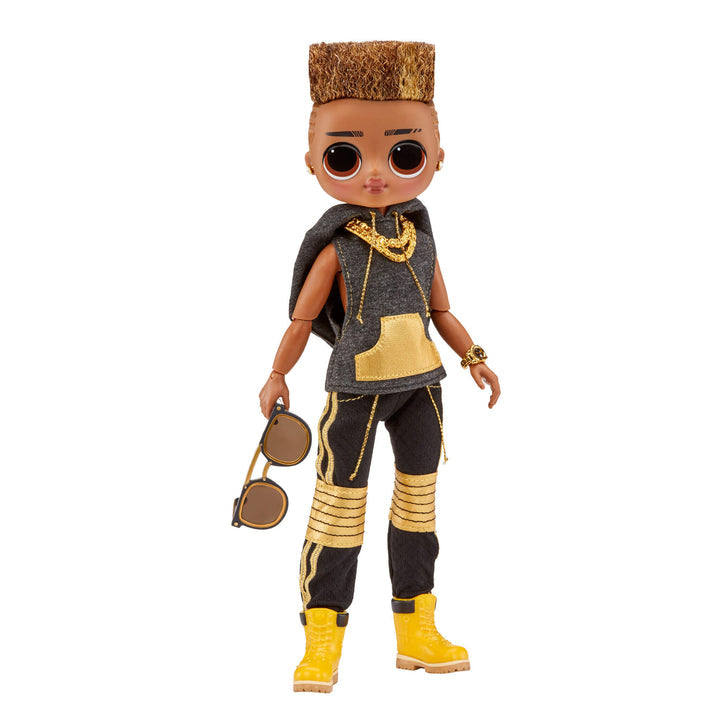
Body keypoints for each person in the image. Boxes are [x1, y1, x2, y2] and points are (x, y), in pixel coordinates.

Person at [257, 41, 501, 693]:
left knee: (418, 509)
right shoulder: (336, 247)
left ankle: (416, 627)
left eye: (404, 154)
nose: (373, 175)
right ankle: (322, 637)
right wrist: (278, 373)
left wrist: (473, 358)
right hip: (357, 392)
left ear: (437, 156)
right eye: (344, 156)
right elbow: (302, 321)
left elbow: (441, 310)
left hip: (423, 387)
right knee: (339, 510)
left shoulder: (421, 238)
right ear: (313, 160)